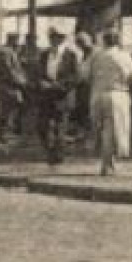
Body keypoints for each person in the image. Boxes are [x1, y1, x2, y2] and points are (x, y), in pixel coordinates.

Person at [82, 30, 132, 176]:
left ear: (104, 41)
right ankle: (107, 165)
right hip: (117, 95)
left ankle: (108, 162)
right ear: (117, 41)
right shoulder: (124, 56)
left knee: (100, 129)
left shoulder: (95, 56)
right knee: (112, 131)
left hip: (97, 95)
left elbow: (84, 75)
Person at [35, 27, 84, 164]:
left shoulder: (71, 55)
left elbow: (76, 77)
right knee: (42, 126)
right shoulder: (44, 54)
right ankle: (50, 149)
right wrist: (41, 82)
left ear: (63, 39)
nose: (54, 40)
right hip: (46, 95)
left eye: (58, 37)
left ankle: (57, 156)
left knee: (60, 127)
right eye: (52, 37)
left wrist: (58, 85)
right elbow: (38, 73)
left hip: (62, 96)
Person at [0, 32, 29, 143]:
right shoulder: (5, 51)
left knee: (19, 105)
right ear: (12, 40)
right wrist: (21, 81)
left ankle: (14, 128)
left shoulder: (10, 51)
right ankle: (2, 134)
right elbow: (8, 70)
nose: (17, 42)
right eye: (16, 40)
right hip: (7, 85)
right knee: (6, 110)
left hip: (11, 84)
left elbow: (14, 67)